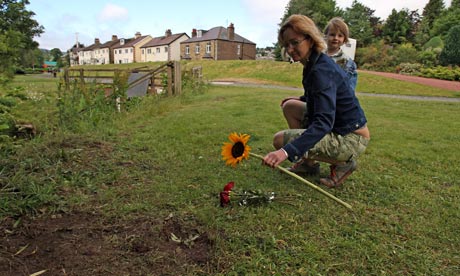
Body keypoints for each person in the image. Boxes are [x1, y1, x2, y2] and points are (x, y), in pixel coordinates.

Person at [262, 14, 370, 188]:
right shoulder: (313, 63)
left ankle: (344, 162)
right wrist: (301, 99)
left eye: (295, 42)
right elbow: (322, 96)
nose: (290, 49)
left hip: (351, 137)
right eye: (286, 45)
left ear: (310, 39)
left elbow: (324, 123)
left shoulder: (321, 70)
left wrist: (286, 151)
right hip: (338, 124)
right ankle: (308, 164)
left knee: (280, 140)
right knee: (290, 107)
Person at [324, 17, 357, 90]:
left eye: (340, 36)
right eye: (332, 34)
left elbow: (349, 91)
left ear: (344, 39)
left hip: (336, 100)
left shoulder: (348, 63)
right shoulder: (317, 56)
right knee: (292, 101)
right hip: (316, 98)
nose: (336, 38)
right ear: (326, 36)